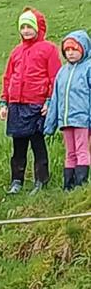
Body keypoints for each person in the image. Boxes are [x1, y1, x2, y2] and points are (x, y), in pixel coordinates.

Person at [0, 8, 62, 194]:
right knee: (18, 147)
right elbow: (8, 78)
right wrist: (4, 102)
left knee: (37, 145)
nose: (26, 30)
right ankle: (16, 181)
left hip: (36, 105)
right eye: (23, 27)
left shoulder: (48, 49)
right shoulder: (16, 52)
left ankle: (41, 180)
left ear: (38, 27)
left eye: (29, 26)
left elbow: (54, 77)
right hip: (16, 105)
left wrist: (49, 101)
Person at [44, 30, 91, 190]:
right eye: (67, 50)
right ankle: (68, 185)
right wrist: (49, 124)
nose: (70, 53)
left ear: (83, 49)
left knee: (81, 150)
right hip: (65, 120)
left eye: (74, 50)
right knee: (70, 152)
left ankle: (81, 183)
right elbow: (55, 99)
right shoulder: (62, 72)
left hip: (82, 119)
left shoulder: (88, 69)